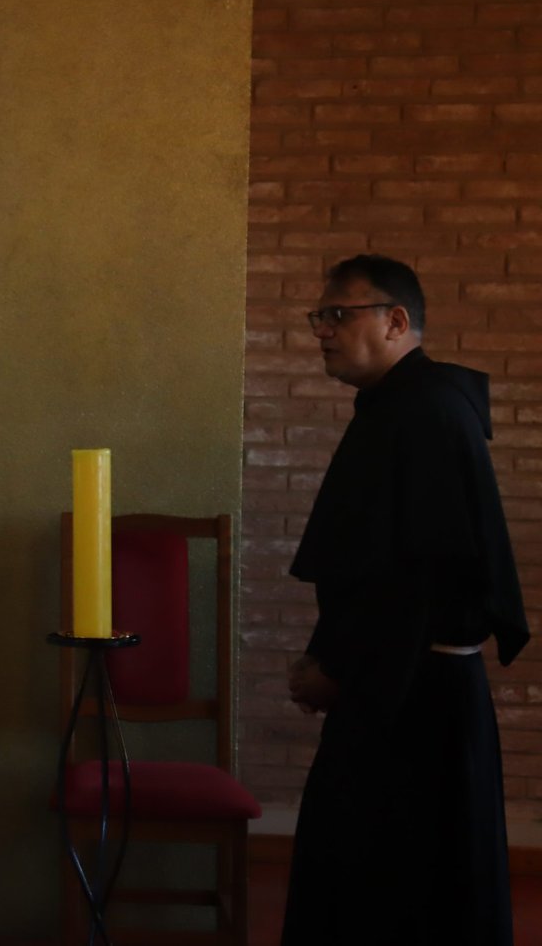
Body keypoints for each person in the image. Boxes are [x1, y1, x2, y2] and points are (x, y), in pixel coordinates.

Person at [282, 255, 529, 945]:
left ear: (395, 321)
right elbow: (372, 564)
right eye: (319, 316)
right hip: (404, 685)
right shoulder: (403, 406)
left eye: (339, 314)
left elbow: (417, 578)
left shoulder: (421, 412)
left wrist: (334, 669)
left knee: (394, 894)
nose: (322, 330)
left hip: (414, 703)